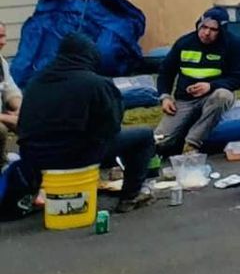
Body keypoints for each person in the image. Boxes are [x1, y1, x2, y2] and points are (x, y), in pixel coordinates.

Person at [10, 32, 154, 214]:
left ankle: (39, 192)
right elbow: (112, 127)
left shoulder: (35, 82)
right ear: (90, 55)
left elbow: (23, 123)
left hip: (33, 158)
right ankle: (130, 196)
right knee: (143, 136)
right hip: (76, 156)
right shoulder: (96, 84)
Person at [153, 7, 240, 157]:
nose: (206, 33)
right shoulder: (184, 43)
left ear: (222, 31)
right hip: (185, 99)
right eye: (203, 27)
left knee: (223, 95)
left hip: (214, 94)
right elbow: (166, 72)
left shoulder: (234, 45)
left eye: (213, 29)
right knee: (160, 140)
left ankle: (192, 143)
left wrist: (210, 86)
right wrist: (165, 97)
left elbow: (239, 78)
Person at [0, 20, 21, 164]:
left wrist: (20, 108)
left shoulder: (1, 62)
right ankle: (1, 164)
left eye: (3, 36)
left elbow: (10, 90)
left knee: (28, 121)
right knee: (0, 129)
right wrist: (8, 118)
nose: (3, 42)